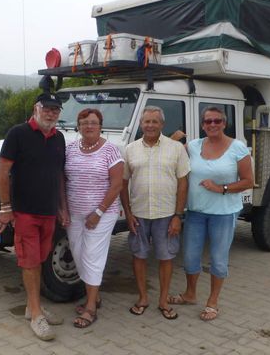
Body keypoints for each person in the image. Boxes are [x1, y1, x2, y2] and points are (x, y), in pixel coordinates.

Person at [168, 106, 254, 321]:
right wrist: (173, 138)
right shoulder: (194, 146)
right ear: (203, 125)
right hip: (196, 212)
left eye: (217, 121)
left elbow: (248, 181)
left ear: (224, 123)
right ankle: (190, 294)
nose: (213, 125)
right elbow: (169, 152)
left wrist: (221, 188)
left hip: (223, 214)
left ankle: (213, 302)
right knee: (190, 257)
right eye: (208, 122)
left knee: (218, 259)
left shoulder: (238, 148)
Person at [0, 92, 67, 341]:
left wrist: (62, 207)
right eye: (47, 108)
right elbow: (3, 172)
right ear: (37, 108)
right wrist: (5, 207)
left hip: (48, 212)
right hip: (24, 212)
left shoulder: (59, 138)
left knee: (40, 260)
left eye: (55, 110)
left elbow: (59, 175)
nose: (51, 113)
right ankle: (37, 315)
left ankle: (31, 307)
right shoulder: (18, 133)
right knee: (30, 262)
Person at [120, 105, 190, 320]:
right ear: (141, 124)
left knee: (166, 257)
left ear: (162, 124)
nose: (150, 125)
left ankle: (163, 300)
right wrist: (128, 214)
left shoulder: (176, 148)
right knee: (139, 256)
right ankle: (142, 298)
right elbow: (123, 184)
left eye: (154, 121)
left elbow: (183, 184)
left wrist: (178, 216)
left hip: (166, 214)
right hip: (139, 214)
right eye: (146, 121)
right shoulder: (130, 149)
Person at [61, 108, 124, 328]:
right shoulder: (70, 149)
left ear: (100, 125)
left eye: (93, 122)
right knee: (78, 255)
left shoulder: (111, 150)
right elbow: (63, 179)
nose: (89, 126)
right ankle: (94, 296)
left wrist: (98, 212)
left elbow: (117, 184)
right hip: (74, 214)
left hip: (102, 213)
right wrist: (64, 208)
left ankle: (90, 307)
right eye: (84, 122)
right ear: (78, 126)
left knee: (92, 256)